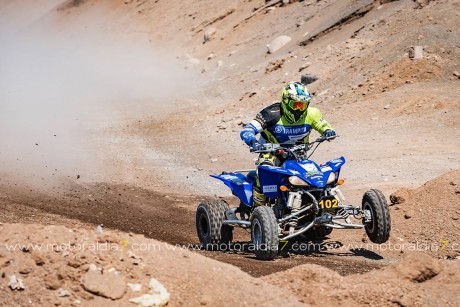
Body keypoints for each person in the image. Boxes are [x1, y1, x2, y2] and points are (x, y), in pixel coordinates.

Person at [240, 81, 336, 206]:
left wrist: (328, 131)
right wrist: (252, 141)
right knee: (263, 174)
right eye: (295, 105)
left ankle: (318, 204)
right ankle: (258, 209)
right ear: (285, 101)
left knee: (314, 178)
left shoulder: (312, 113)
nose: (299, 109)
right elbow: (248, 129)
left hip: (298, 154)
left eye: (302, 105)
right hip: (271, 153)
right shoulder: (271, 113)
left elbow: (324, 126)